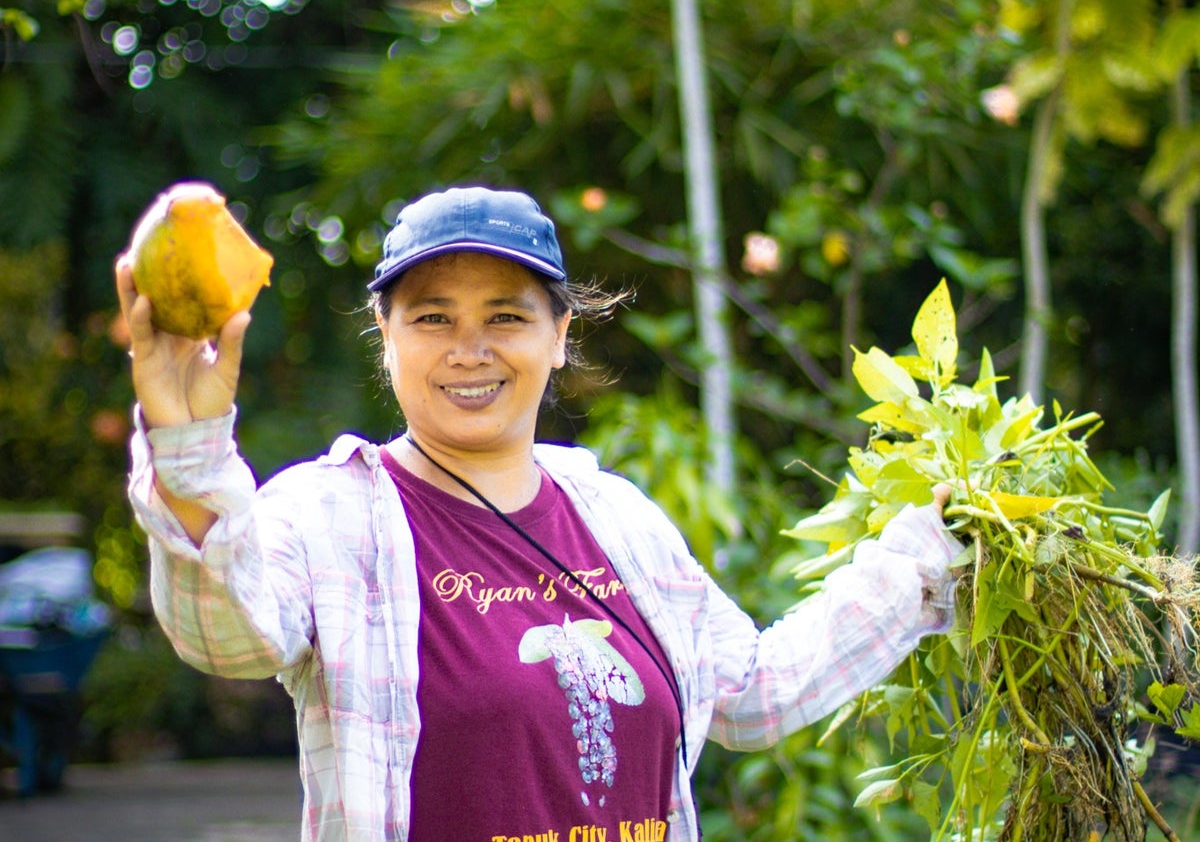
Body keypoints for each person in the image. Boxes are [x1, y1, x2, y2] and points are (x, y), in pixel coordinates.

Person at [116, 185, 962, 842]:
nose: (469, 350)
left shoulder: (615, 517)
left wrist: (927, 556)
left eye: (507, 318)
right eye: (433, 318)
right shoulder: (330, 516)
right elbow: (225, 636)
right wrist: (189, 444)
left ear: (559, 335)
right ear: (387, 336)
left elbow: (752, 694)